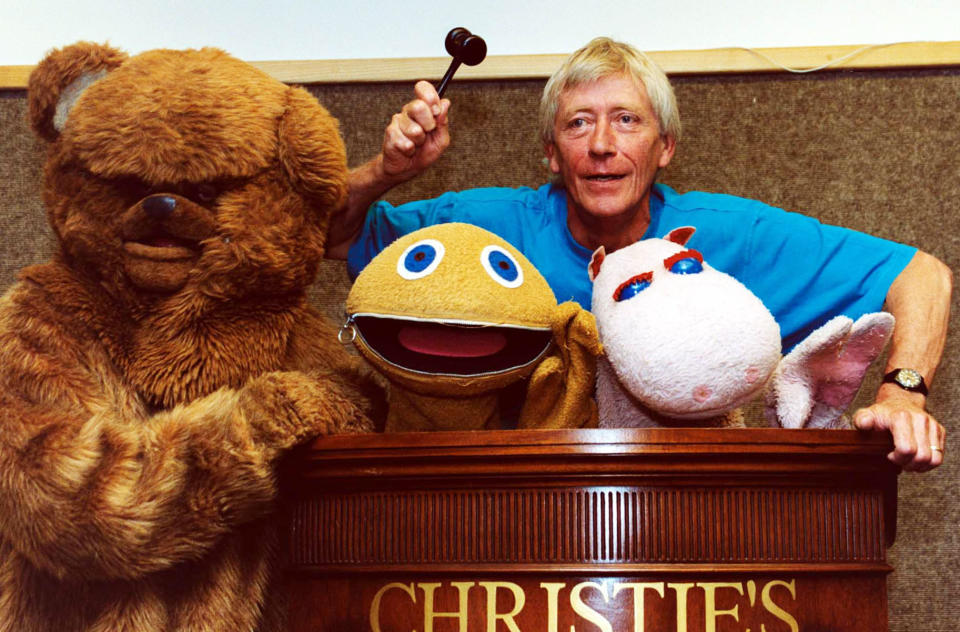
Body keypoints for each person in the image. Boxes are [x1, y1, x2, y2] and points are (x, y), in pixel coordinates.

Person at [325, 37, 952, 472]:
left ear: (666, 147)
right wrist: (386, 170)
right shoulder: (487, 225)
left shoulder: (726, 234)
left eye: (627, 120)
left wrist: (903, 394)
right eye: (578, 124)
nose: (601, 144)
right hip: (509, 506)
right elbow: (332, 236)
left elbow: (922, 275)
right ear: (551, 153)